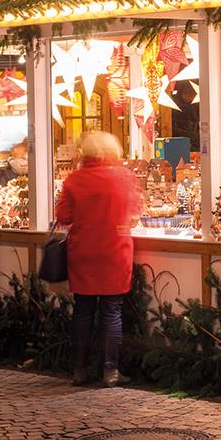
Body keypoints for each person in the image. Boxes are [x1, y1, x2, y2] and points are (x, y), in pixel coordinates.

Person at [56, 131, 141, 388]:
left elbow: (63, 215)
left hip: (83, 251)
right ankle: (110, 371)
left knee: (82, 311)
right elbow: (135, 214)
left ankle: (80, 370)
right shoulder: (124, 177)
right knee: (112, 310)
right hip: (114, 251)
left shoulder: (74, 179)